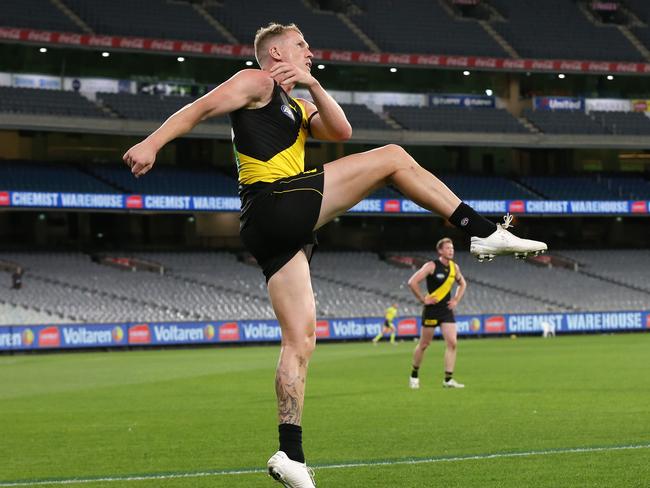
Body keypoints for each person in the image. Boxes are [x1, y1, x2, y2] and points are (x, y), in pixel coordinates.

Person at [122, 22, 546, 488]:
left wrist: (314, 84)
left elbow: (341, 131)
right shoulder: (256, 80)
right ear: (277, 51)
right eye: (301, 46)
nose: (309, 51)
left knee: (300, 340)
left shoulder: (297, 104)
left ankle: (290, 454)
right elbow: (199, 108)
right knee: (392, 156)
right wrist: (153, 142)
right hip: (275, 201)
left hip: (276, 230)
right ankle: (480, 230)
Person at [407, 238, 466, 390]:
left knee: (452, 343)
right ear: (440, 251)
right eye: (447, 248)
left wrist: (456, 300)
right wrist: (423, 299)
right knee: (424, 344)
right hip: (432, 310)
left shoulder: (455, 268)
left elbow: (463, 284)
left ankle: (448, 379)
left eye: (452, 248)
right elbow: (412, 282)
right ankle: (414, 375)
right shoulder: (431, 266)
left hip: (446, 310)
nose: (451, 250)